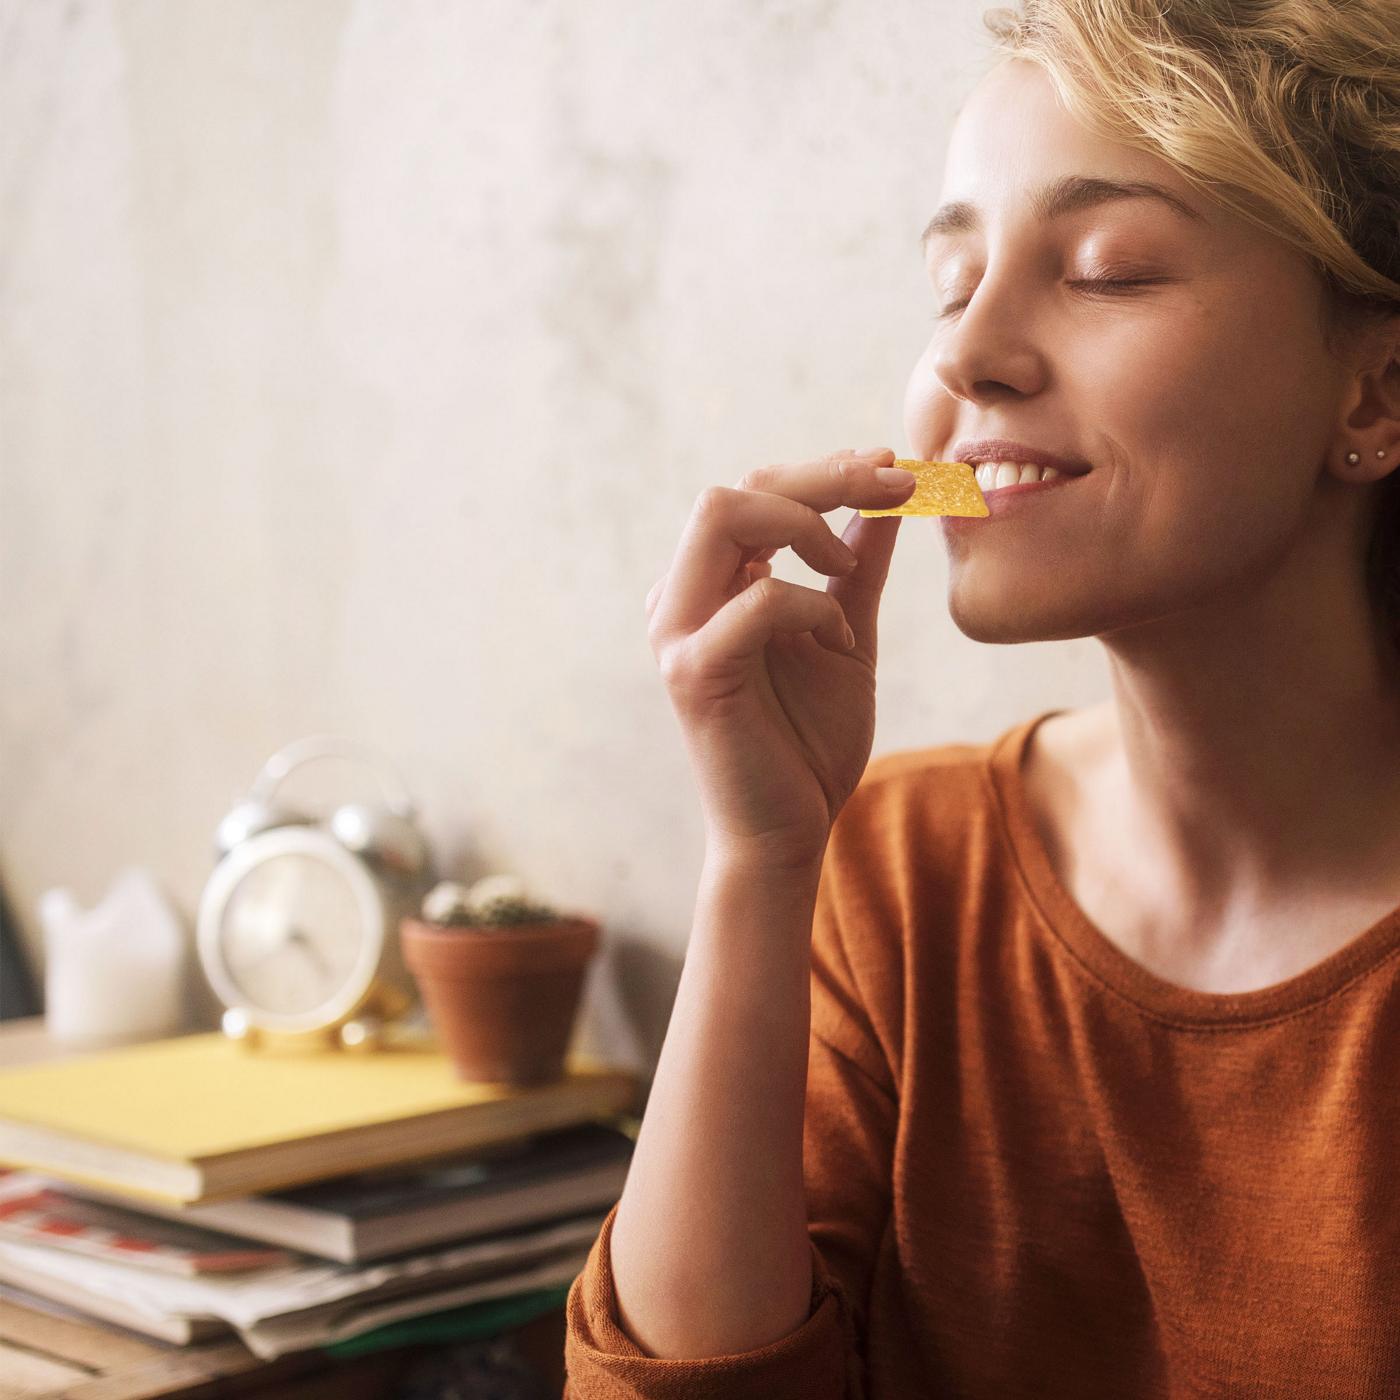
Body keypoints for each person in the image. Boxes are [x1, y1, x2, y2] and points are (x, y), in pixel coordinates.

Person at [563, 0, 1400, 1394]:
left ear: (1375, 393)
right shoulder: (896, 873)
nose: (968, 357)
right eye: (952, 286)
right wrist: (762, 865)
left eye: (1107, 271)